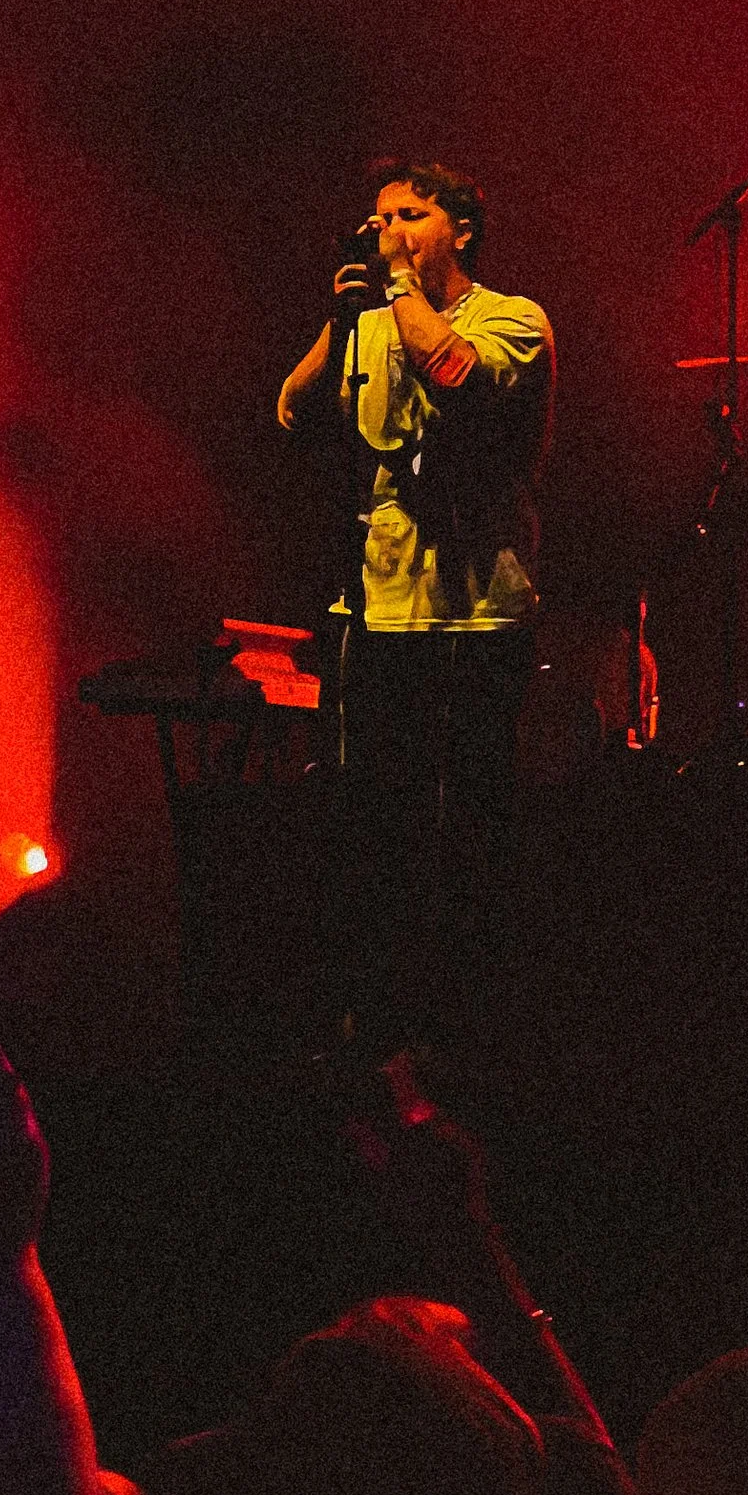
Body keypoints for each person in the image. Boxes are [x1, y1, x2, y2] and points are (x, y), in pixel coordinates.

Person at [277, 158, 553, 1045]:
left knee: (471, 804)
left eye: (410, 215)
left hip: (479, 601)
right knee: (379, 807)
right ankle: (380, 1009)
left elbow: (456, 374)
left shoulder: (515, 318)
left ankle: (478, 1007)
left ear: (459, 231)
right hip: (383, 598)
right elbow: (292, 409)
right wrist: (337, 318)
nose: (389, 228)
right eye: (381, 216)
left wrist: (398, 289)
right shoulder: (368, 324)